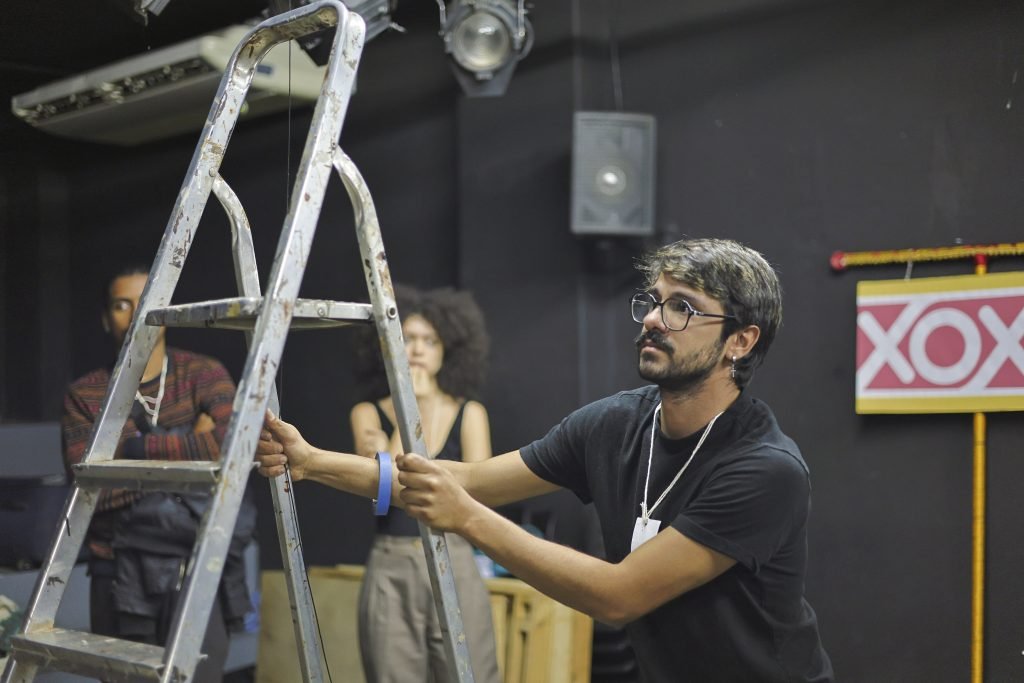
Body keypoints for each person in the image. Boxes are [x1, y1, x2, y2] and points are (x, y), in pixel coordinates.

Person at [256, 238, 834, 682]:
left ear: (740, 341)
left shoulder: (765, 469)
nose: (655, 319)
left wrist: (468, 519)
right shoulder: (614, 424)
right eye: (654, 302)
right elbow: (464, 481)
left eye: (683, 308)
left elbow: (619, 595)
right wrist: (311, 463)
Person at [62, 265, 255, 683]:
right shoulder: (87, 393)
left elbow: (236, 448)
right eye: (121, 305)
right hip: (117, 572)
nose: (134, 315)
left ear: (167, 312)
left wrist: (132, 451)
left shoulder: (202, 372)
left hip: (196, 566)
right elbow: (90, 492)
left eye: (145, 303)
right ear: (105, 317)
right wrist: (192, 443)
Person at [348, 285, 500, 683]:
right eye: (408, 338)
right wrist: (406, 409)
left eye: (429, 340)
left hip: (457, 557)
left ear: (447, 349)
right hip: (392, 561)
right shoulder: (368, 412)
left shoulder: (470, 413)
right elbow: (384, 492)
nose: (417, 349)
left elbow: (481, 495)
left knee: (471, 673)